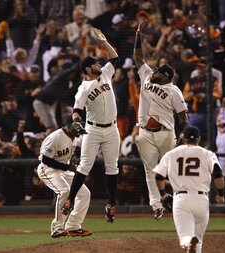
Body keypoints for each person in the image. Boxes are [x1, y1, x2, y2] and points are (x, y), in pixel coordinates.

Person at [62, 28, 120, 224]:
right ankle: (70, 199)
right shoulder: (84, 88)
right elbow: (76, 110)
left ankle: (111, 204)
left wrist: (104, 42)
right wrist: (77, 122)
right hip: (93, 129)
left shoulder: (105, 74)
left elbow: (115, 59)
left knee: (112, 167)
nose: (98, 63)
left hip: (112, 129)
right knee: (84, 166)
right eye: (94, 63)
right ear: (87, 69)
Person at [133, 21, 188, 220]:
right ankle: (157, 205)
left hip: (166, 133)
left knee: (172, 168)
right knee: (150, 170)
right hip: (145, 132)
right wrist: (138, 37)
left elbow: (182, 115)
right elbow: (138, 57)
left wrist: (183, 132)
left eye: (158, 72)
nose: (153, 72)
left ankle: (179, 199)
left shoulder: (173, 90)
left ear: (165, 77)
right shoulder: (147, 75)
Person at [153, 126, 225, 253]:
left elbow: (159, 176)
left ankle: (187, 241)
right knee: (199, 240)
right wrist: (220, 194)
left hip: (181, 199)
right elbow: (218, 173)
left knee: (185, 237)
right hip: (202, 199)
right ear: (199, 139)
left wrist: (163, 194)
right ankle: (193, 243)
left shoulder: (171, 154)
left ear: (182, 139)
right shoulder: (207, 154)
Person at [37, 123, 91, 238]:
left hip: (63, 170)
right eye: (77, 133)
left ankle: (73, 226)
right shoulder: (54, 137)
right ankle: (56, 227)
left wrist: (72, 166)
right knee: (64, 191)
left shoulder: (72, 138)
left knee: (85, 193)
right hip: (47, 169)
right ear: (68, 128)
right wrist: (67, 167)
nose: (78, 135)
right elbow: (46, 160)